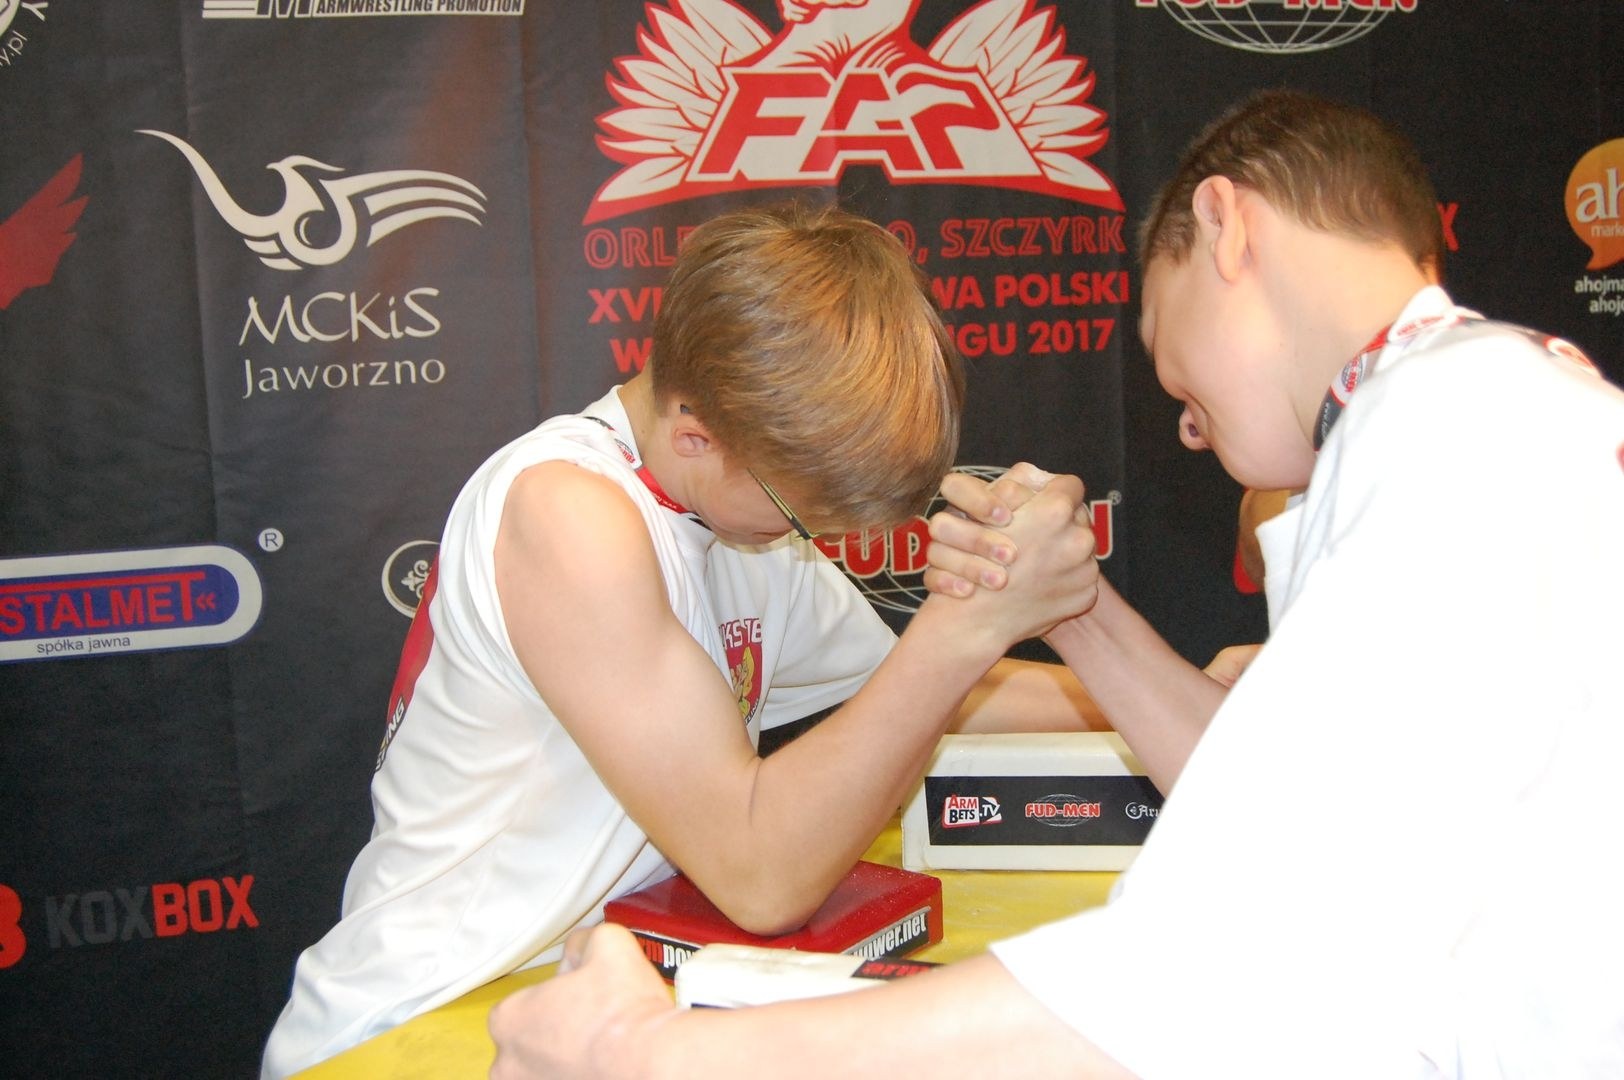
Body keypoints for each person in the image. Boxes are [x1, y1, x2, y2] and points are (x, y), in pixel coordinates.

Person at [486, 89, 1624, 1078]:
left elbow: (1217, 966)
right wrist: (1071, 606)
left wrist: (654, 1056)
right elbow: (1284, 826)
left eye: (1171, 364)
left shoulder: (1454, 422)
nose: (1185, 428)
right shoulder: (1480, 409)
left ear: (1224, 226)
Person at [259, 202, 1103, 1077]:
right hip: (422, 1021)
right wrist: (962, 624)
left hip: (591, 996)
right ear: (696, 433)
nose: (805, 536)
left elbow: (921, 693)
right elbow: (760, 876)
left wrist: (1164, 705)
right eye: (798, 514)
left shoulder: (740, 518)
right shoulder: (570, 512)